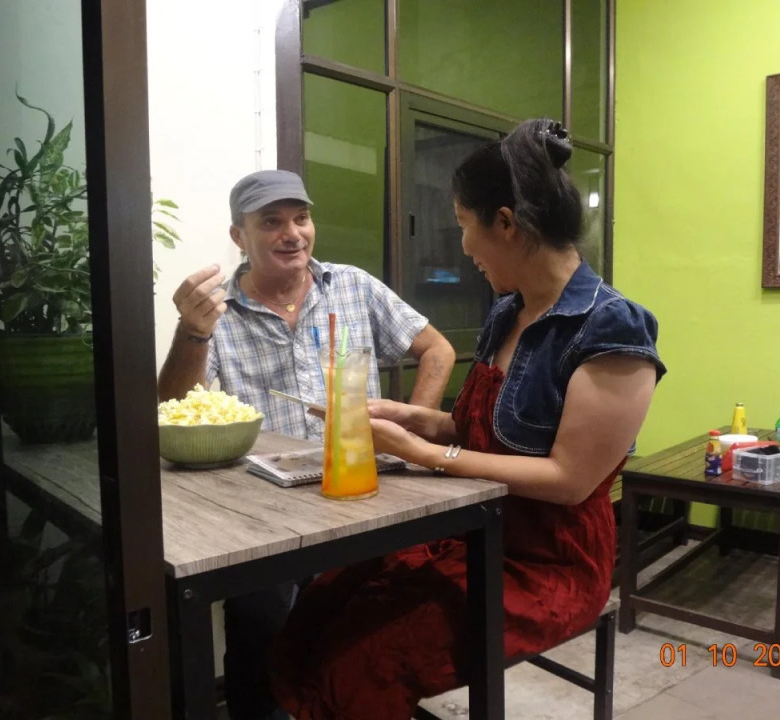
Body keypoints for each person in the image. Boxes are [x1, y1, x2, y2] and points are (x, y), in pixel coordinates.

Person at [270, 118, 667, 719]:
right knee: (321, 607)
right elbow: (476, 430)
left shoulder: (612, 327)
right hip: (472, 530)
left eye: (462, 224)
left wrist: (422, 453)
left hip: (547, 562)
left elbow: (569, 480)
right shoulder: (507, 313)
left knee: (362, 660)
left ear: (504, 222)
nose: (462, 246)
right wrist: (409, 417)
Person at [157, 169, 455, 720]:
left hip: (359, 496)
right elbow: (173, 408)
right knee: (262, 643)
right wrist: (192, 332)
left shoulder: (352, 286)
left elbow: (437, 350)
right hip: (264, 516)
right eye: (271, 222)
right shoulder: (219, 312)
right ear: (239, 236)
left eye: (301, 218)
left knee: (360, 640)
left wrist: (412, 431)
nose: (292, 233)